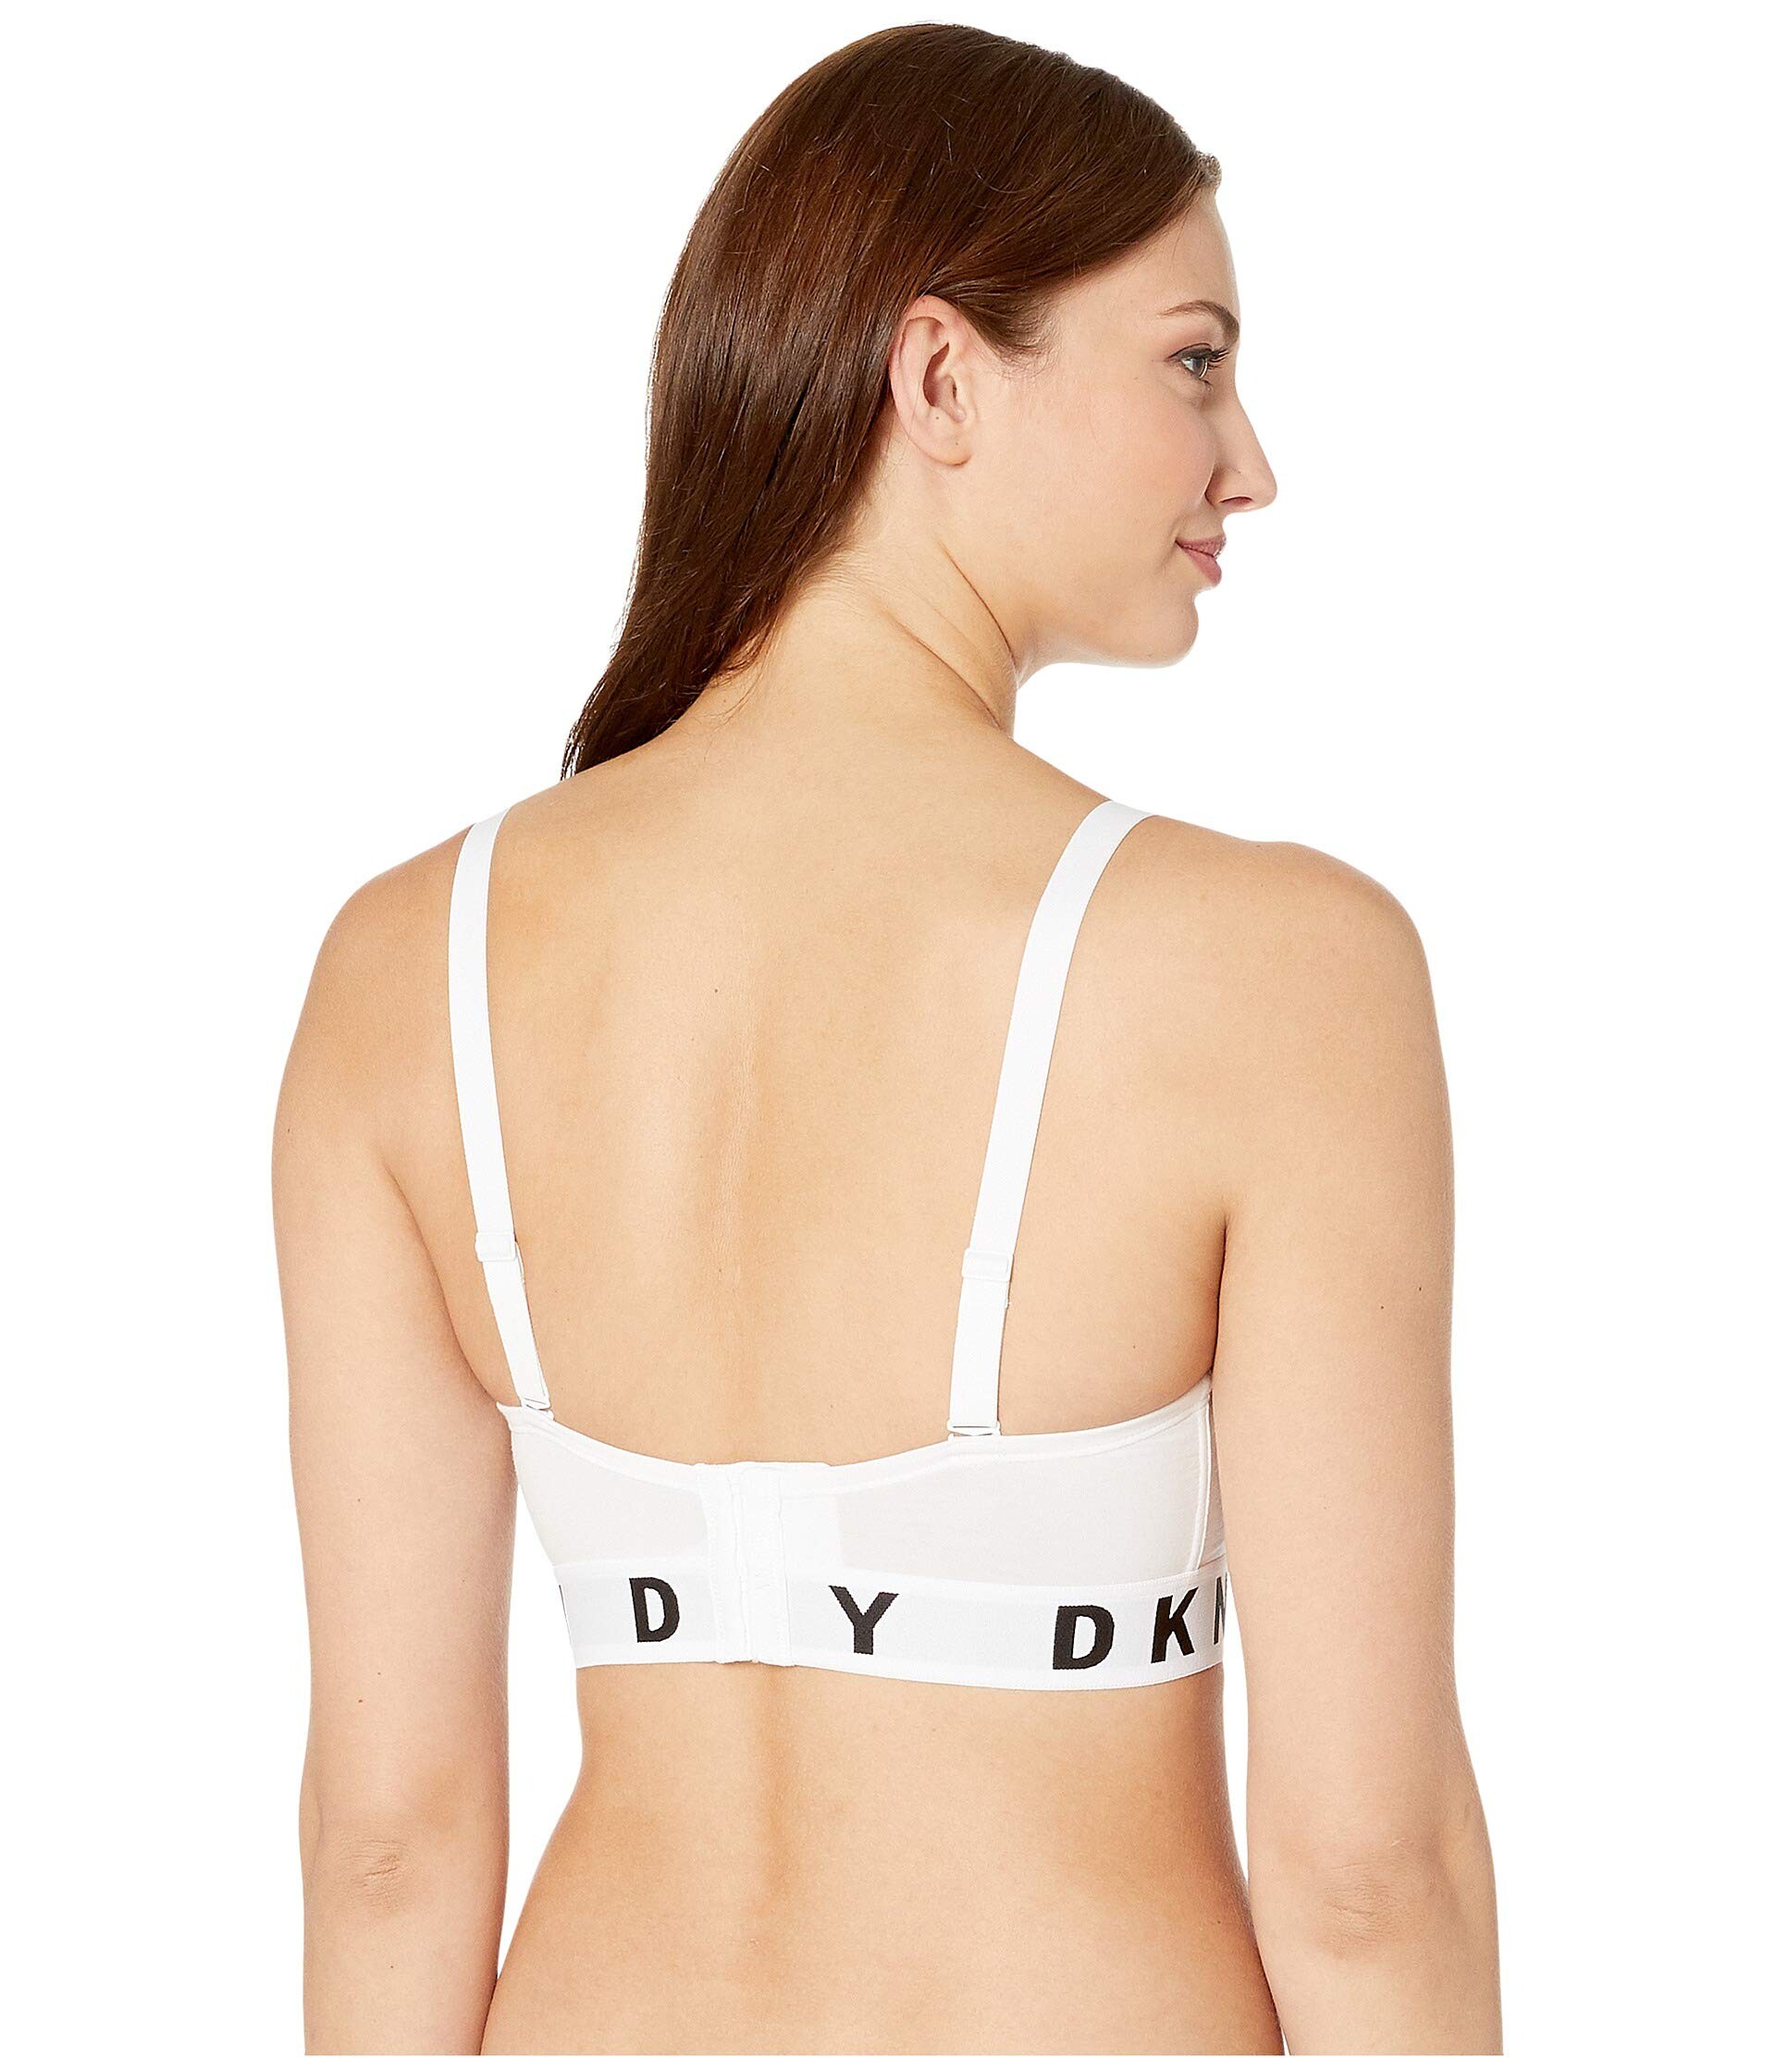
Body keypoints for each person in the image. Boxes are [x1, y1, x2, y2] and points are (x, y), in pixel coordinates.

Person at [276, 22, 1501, 2054]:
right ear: (938, 376)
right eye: (1195, 361)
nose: (1250, 462)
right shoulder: (1278, 969)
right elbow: (1369, 1875)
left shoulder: (405, 966)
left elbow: (386, 1846)